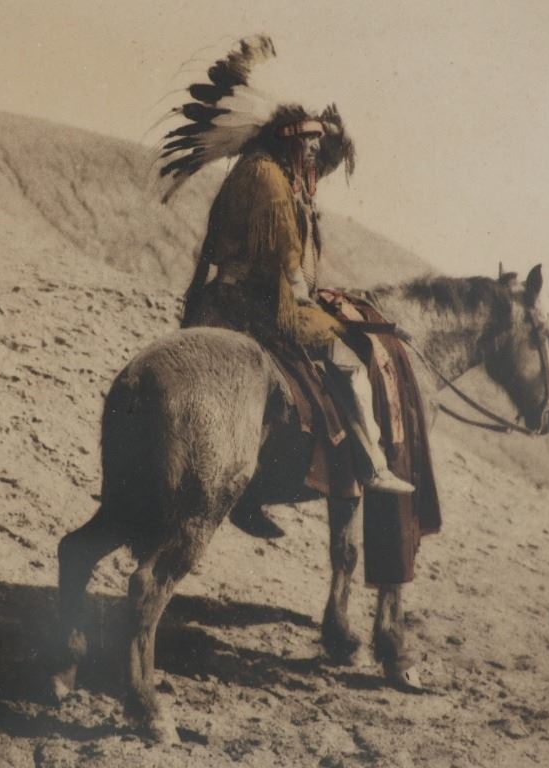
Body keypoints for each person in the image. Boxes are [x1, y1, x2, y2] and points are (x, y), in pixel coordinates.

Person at [159, 36, 414, 496]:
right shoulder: (271, 181)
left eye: (317, 142)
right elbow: (285, 268)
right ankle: (372, 466)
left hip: (227, 300)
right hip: (254, 306)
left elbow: (318, 172)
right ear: (289, 141)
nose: (315, 151)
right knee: (348, 362)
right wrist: (320, 313)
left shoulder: (264, 168)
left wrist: (335, 135)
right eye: (309, 142)